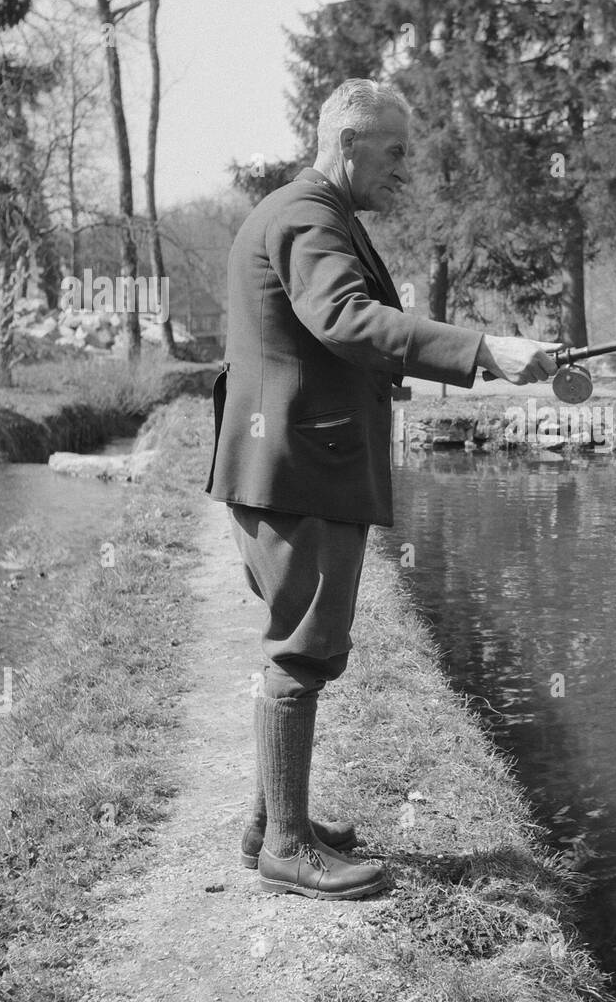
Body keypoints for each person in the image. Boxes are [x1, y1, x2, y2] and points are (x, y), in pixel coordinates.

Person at [205, 79, 557, 899]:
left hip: (290, 463)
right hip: (302, 469)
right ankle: (287, 846)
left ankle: (272, 822)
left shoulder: (308, 213)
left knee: (298, 642)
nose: (406, 170)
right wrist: (480, 349)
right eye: (395, 153)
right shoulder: (307, 215)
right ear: (348, 141)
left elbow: (332, 339)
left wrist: (487, 355)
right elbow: (347, 320)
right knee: (303, 651)